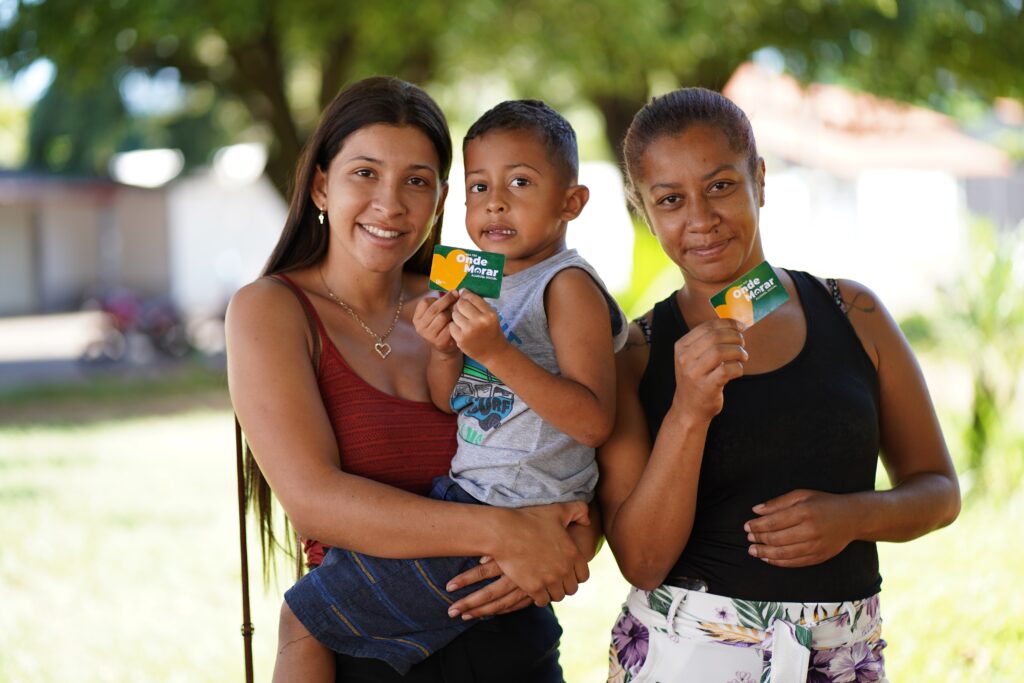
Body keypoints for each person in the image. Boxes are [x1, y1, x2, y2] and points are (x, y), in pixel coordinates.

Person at [226, 78, 593, 683]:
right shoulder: (271, 309)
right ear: (322, 184)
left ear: (442, 197)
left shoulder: (474, 303)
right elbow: (315, 502)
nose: (391, 204)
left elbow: (575, 431)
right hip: (369, 651)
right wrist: (507, 533)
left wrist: (573, 543)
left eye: (416, 181)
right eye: (364, 173)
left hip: (512, 641)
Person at [597, 87, 961, 683]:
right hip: (688, 653)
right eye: (670, 199)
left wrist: (853, 517)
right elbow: (641, 561)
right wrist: (688, 409)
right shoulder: (635, 355)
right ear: (642, 209)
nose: (701, 219)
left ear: (759, 180)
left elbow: (940, 490)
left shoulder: (853, 312)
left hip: (843, 653)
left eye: (721, 186)